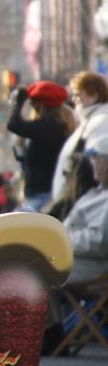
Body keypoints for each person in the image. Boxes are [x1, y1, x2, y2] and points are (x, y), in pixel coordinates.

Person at [45, 133, 108, 348]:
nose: (93, 166)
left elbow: (98, 242)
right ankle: (50, 330)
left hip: (97, 266)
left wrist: (60, 240)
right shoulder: (96, 193)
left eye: (96, 161)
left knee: (38, 269)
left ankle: (51, 334)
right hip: (80, 255)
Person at [6, 80, 75, 213]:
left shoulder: (50, 126)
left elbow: (13, 125)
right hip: (41, 194)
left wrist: (18, 102)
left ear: (39, 105)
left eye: (33, 103)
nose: (31, 105)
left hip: (44, 196)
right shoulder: (59, 125)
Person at [48, 71, 108, 217]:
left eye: (78, 94)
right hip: (75, 198)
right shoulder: (89, 120)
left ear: (93, 94)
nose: (74, 99)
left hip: (82, 201)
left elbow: (88, 166)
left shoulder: (100, 120)